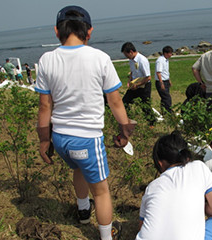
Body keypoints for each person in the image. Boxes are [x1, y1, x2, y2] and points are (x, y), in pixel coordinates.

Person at [35, 6, 134, 240]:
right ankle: (106, 236)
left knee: (77, 169)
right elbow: (115, 102)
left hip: (60, 138)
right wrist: (125, 130)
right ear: (89, 32)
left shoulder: (46, 59)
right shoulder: (100, 58)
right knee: (101, 193)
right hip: (87, 139)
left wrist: (43, 140)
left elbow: (44, 107)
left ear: (56, 31)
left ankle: (82, 212)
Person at [136, 131, 212, 240]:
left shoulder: (151, 187)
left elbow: (142, 227)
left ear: (160, 163)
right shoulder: (199, 167)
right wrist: (199, 206)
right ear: (186, 156)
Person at [121, 42, 155, 126]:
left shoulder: (142, 60)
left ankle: (152, 123)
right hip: (134, 85)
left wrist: (138, 84)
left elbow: (148, 77)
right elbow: (132, 72)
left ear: (131, 52)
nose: (126, 57)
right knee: (124, 102)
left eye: (127, 55)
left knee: (145, 106)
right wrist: (130, 81)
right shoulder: (131, 60)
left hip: (144, 86)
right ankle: (127, 119)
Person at [155, 46, 173, 113]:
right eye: (170, 53)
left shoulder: (166, 60)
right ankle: (168, 111)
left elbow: (166, 71)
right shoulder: (160, 61)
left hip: (166, 80)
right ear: (165, 53)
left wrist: (169, 80)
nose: (171, 55)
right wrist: (161, 83)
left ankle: (164, 111)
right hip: (161, 81)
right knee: (167, 98)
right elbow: (158, 72)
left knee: (164, 98)